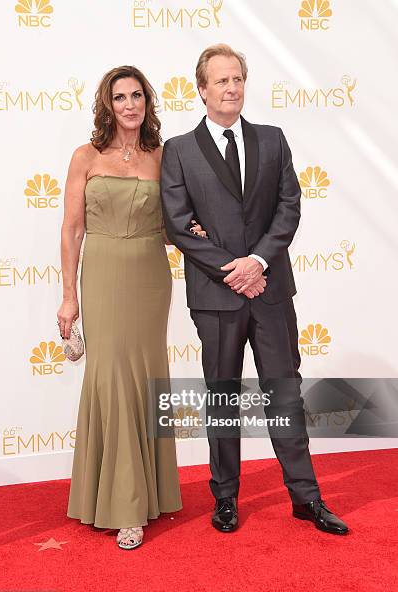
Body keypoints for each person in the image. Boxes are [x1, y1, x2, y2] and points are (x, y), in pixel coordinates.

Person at [160, 44, 349, 536]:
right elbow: (179, 225)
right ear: (201, 90)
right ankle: (225, 497)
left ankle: (306, 497)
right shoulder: (178, 151)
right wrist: (235, 268)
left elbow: (290, 205)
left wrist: (259, 261)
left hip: (270, 291)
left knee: (284, 395)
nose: (231, 88)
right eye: (220, 81)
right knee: (221, 398)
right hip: (217, 297)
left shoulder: (272, 139)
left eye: (237, 79)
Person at [58, 66, 204, 549]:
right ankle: (121, 502)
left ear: (147, 102)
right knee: (110, 375)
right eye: (120, 97)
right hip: (101, 272)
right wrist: (68, 296)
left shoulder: (164, 157)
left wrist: (199, 236)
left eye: (137, 95)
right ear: (107, 104)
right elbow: (72, 230)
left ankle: (149, 495)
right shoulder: (85, 156)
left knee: (144, 375)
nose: (129, 104)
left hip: (149, 274)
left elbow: (171, 227)